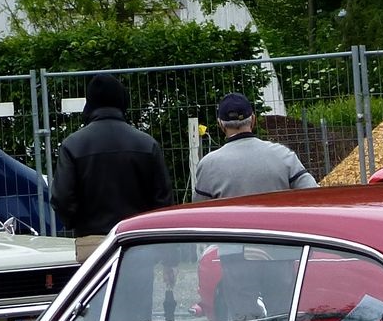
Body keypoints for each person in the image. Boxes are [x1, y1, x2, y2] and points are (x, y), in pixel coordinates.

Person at [50, 73, 173, 263]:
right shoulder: (147, 145)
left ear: (89, 103)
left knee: (97, 291)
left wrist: (78, 223)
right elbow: (163, 199)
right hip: (137, 239)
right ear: (122, 101)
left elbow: (62, 197)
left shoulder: (72, 145)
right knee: (139, 291)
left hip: (92, 240)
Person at [192, 92, 318, 200]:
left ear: (220, 124)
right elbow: (313, 194)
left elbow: (199, 211)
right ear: (253, 119)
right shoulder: (283, 155)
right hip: (276, 227)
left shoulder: (208, 165)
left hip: (232, 228)